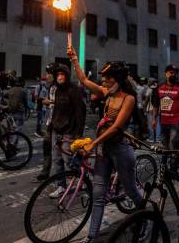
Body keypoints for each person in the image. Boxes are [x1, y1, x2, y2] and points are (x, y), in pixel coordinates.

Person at [68, 47, 142, 243]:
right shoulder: (106, 93)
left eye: (108, 78)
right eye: (104, 78)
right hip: (104, 151)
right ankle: (92, 237)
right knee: (98, 195)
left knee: (132, 191)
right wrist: (74, 59)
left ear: (118, 79)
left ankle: (146, 220)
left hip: (121, 151)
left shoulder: (129, 99)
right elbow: (84, 81)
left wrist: (93, 143)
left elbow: (117, 127)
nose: (104, 81)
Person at [38, 63, 86, 191]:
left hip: (69, 131)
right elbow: (56, 111)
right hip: (56, 129)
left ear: (67, 75)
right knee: (56, 159)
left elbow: (80, 111)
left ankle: (81, 177)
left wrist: (78, 133)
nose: (60, 77)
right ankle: (61, 186)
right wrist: (51, 126)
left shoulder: (74, 89)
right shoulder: (57, 89)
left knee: (68, 159)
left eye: (62, 74)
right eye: (58, 74)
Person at [152, 64, 179, 169]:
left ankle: (173, 167)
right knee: (165, 145)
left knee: (173, 142)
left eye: (175, 73)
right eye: (171, 72)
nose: (174, 75)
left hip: (176, 122)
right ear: (166, 73)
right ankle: (166, 166)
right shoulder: (159, 87)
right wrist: (154, 119)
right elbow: (156, 104)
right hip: (163, 122)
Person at [144, 78, 160, 142]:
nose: (148, 83)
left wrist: (144, 107)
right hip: (158, 108)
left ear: (150, 83)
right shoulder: (158, 89)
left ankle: (152, 138)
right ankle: (158, 138)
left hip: (150, 108)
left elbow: (146, 100)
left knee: (151, 124)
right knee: (157, 124)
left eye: (148, 82)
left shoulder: (149, 89)